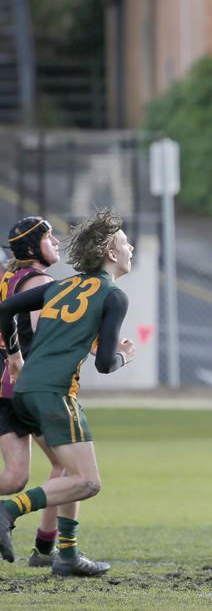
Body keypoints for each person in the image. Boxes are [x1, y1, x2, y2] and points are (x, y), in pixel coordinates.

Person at [0, 209, 136, 576]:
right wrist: (124, 356)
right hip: (55, 393)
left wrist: (13, 356)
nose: (131, 247)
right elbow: (106, 364)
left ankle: (64, 555)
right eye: (125, 243)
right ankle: (8, 512)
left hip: (24, 390)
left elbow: (6, 309)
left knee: (69, 473)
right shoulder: (113, 295)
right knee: (87, 482)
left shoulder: (61, 284)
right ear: (110, 252)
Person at [0, 217, 72, 568]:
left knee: (15, 477)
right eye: (49, 236)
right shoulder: (42, 282)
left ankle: (44, 549)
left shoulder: (6, 276)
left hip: (4, 388)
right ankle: (45, 550)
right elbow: (44, 335)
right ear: (32, 248)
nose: (57, 241)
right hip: (28, 387)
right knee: (69, 467)